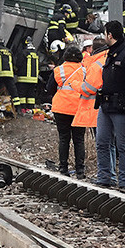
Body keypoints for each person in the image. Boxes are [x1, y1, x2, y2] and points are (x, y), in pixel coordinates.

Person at [94, 20, 125, 189]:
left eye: (105, 33)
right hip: (106, 105)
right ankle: (104, 178)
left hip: (122, 107)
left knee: (122, 145)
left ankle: (124, 181)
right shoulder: (111, 52)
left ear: (110, 35)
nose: (104, 37)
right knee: (101, 142)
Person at [46, 45, 86, 179]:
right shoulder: (84, 71)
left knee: (64, 138)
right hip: (79, 109)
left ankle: (63, 168)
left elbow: (50, 88)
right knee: (79, 140)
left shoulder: (58, 70)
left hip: (61, 108)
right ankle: (80, 170)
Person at [15, 37, 39, 114]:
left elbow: (18, 64)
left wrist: (15, 69)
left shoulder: (23, 52)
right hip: (34, 78)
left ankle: (22, 108)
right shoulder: (36, 53)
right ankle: (30, 108)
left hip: (23, 77)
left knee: (22, 93)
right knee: (31, 94)